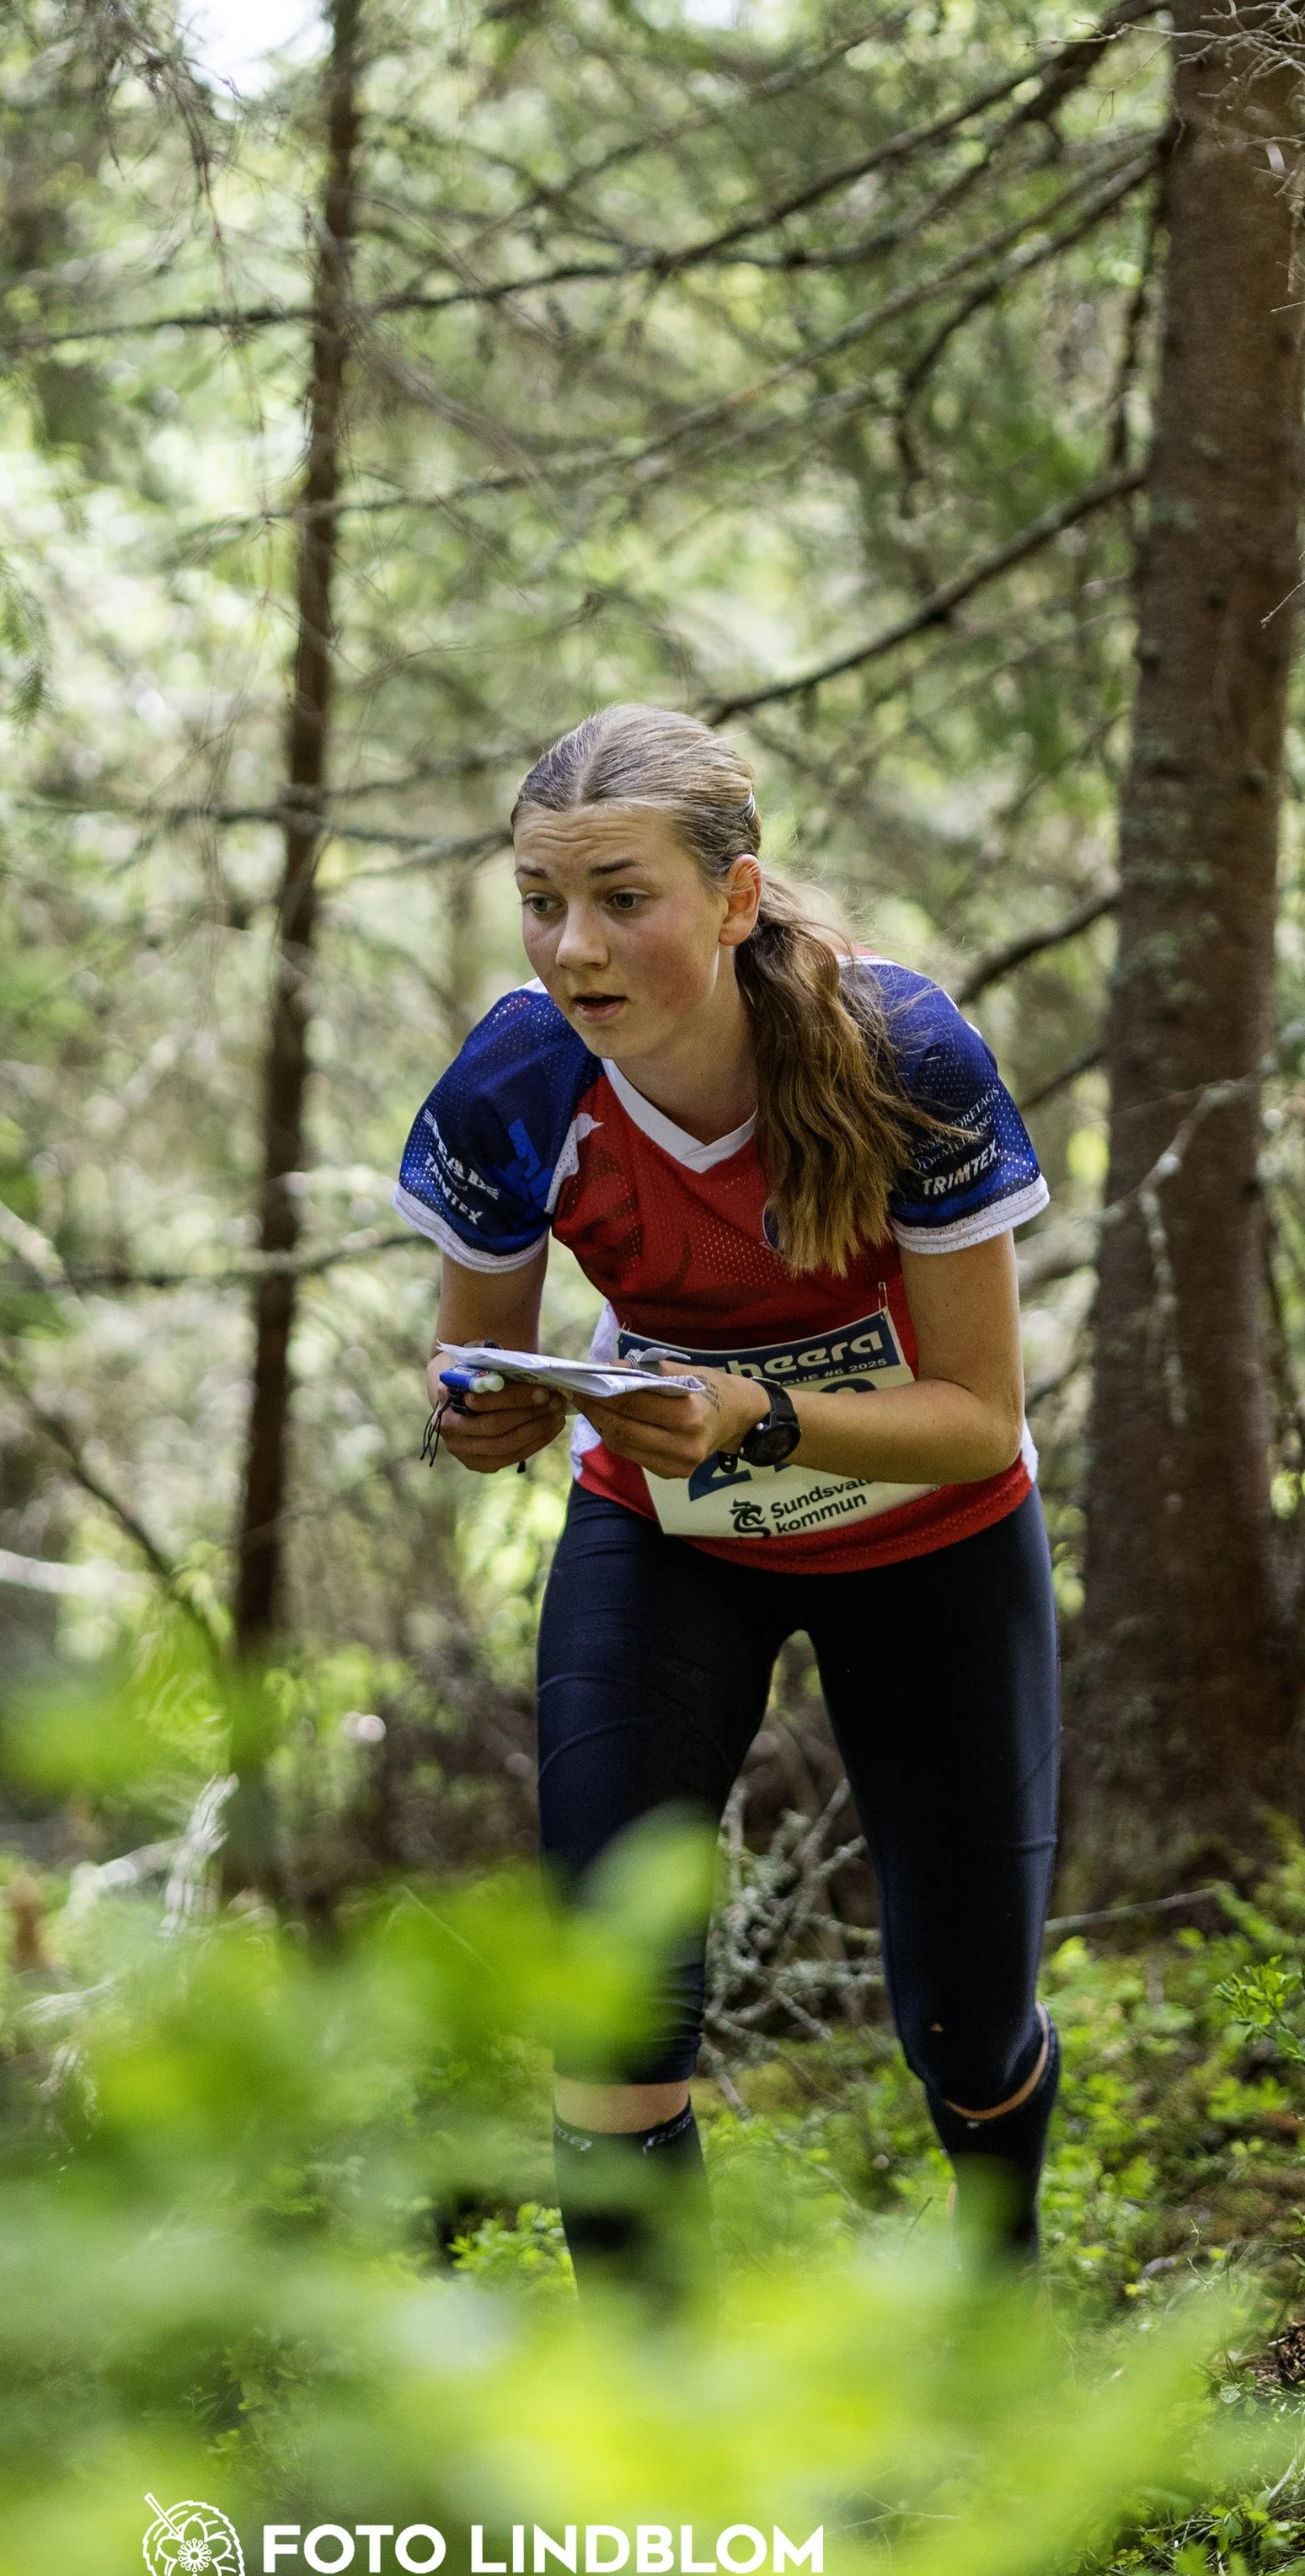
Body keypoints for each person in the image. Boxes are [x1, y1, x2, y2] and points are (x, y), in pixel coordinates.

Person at [391, 704, 1061, 2301]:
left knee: (966, 2018)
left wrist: (757, 1417)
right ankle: (664, 2455)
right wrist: (480, 1420)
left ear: (737, 897)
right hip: (665, 1530)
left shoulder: (903, 1053)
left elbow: (981, 1423)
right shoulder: (515, 1081)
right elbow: (475, 1387)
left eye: (625, 899)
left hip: (930, 1538)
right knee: (612, 1993)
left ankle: (998, 2305)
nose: (574, 947)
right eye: (542, 901)